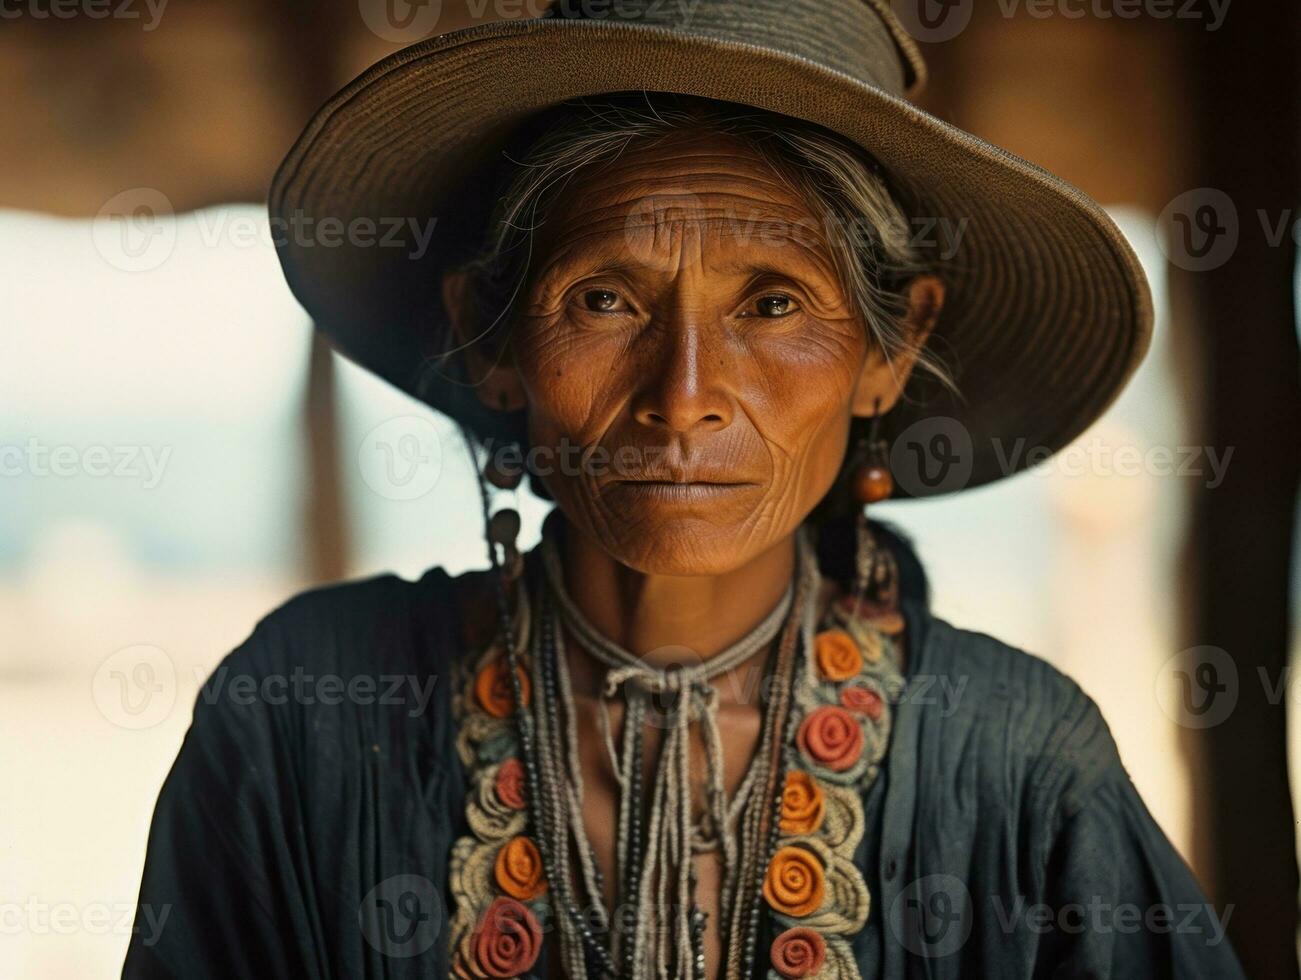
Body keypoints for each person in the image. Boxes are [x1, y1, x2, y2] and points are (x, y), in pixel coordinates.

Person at [123, 2, 1246, 977]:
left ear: (888, 351)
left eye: (771, 304)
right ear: (490, 336)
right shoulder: (296, 715)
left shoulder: (1018, 764)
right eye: (605, 298)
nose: (684, 395)